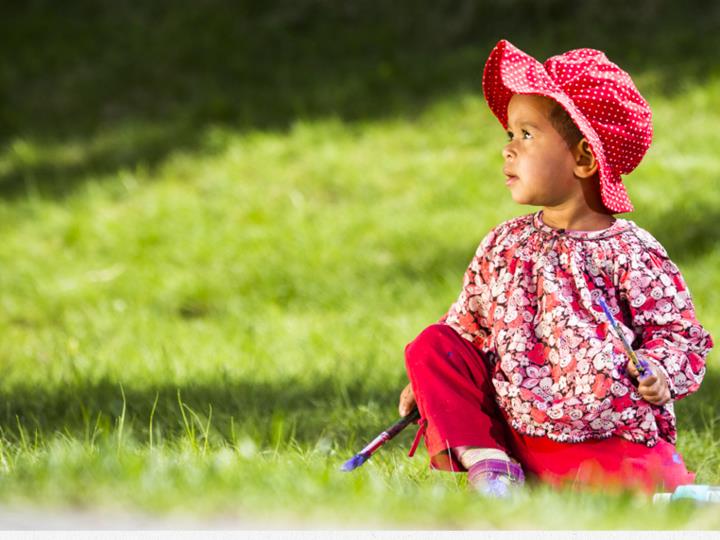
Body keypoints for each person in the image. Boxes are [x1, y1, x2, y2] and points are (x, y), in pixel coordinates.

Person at [398, 39, 714, 498]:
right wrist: (431, 390)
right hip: (513, 424)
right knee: (432, 345)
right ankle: (492, 468)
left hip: (604, 434)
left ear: (584, 158)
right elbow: (468, 326)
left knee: (634, 496)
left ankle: (670, 497)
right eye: (509, 134)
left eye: (526, 135)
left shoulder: (632, 252)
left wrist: (661, 372)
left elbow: (678, 334)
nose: (508, 149)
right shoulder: (504, 244)